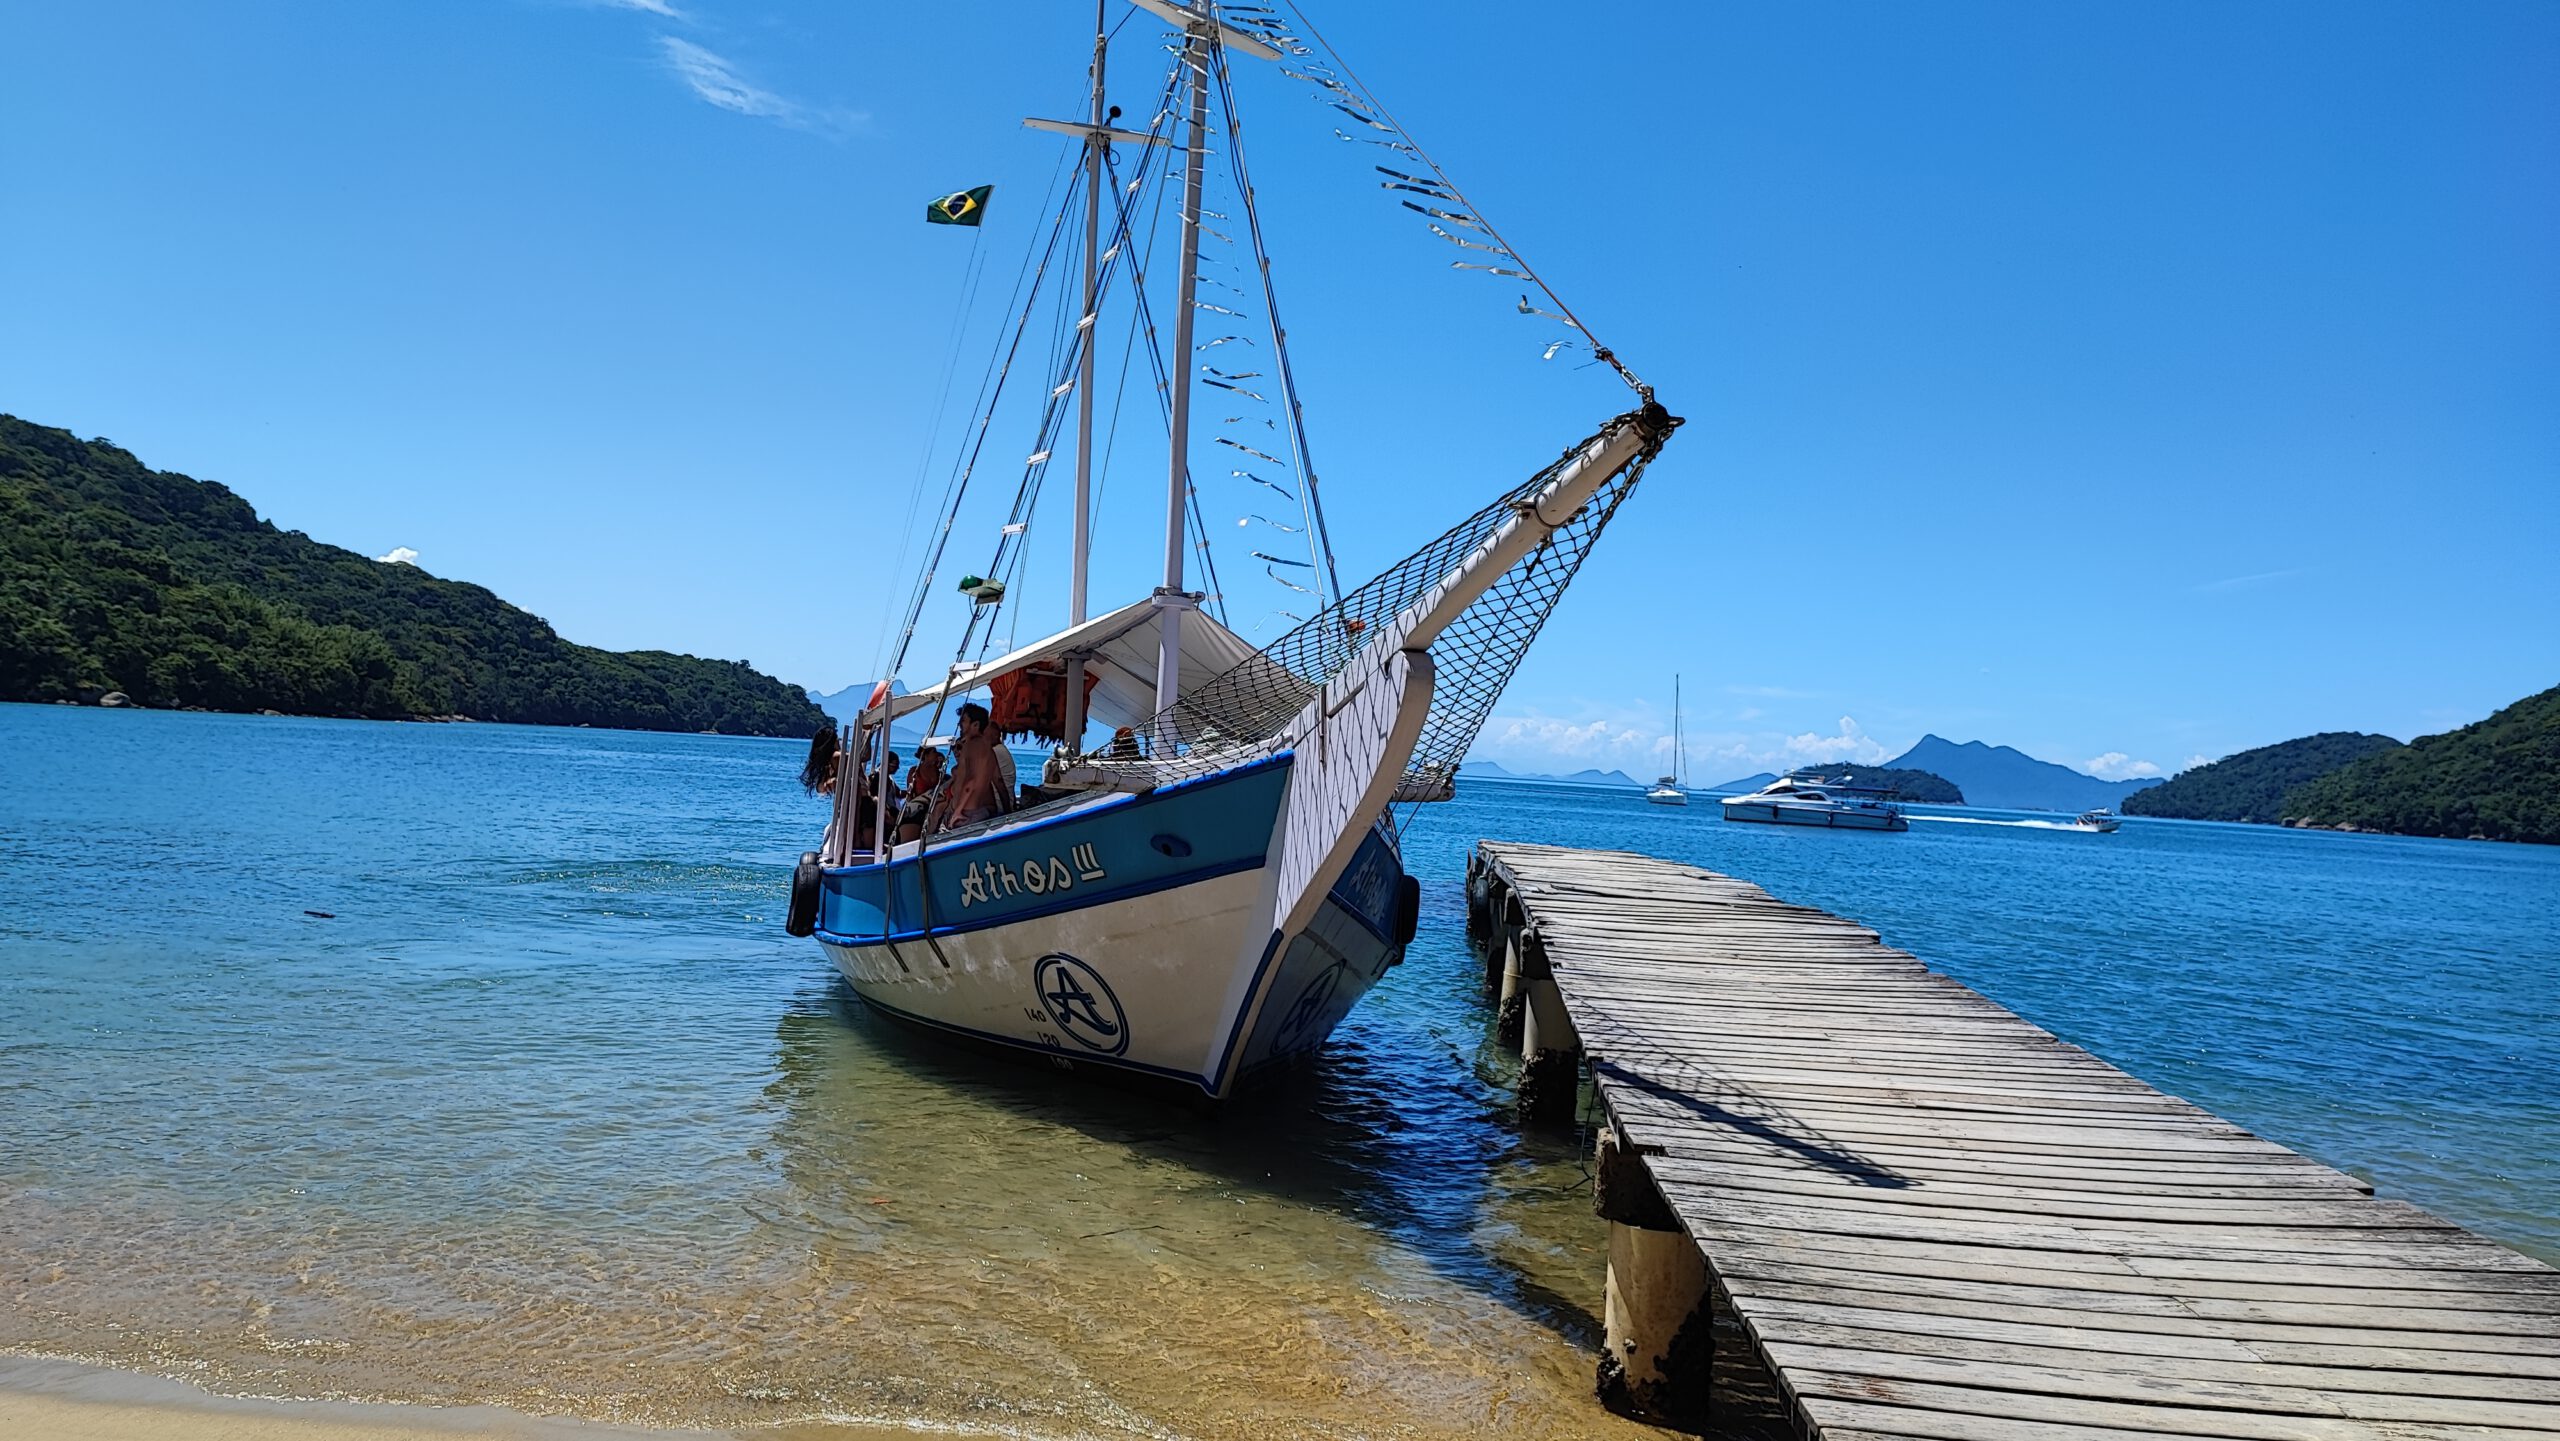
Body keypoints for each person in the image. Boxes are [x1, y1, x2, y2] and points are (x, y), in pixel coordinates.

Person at [932, 702, 1014, 832]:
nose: (960, 725)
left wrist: (957, 811)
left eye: (963, 721)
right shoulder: (987, 749)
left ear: (975, 725)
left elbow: (971, 782)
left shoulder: (972, 746)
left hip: (966, 815)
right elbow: (998, 781)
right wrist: (1008, 811)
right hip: (978, 812)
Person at [896, 746, 946, 844]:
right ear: (926, 755)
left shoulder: (939, 773)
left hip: (933, 807)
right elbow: (909, 793)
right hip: (918, 806)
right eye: (934, 752)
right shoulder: (915, 771)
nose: (936, 753)